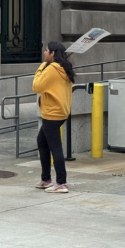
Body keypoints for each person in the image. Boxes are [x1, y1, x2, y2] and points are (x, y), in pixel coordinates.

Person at [32, 42, 74, 194]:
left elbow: (36, 87)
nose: (44, 52)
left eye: (47, 50)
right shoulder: (65, 68)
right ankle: (46, 179)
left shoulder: (52, 69)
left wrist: (41, 67)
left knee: (55, 147)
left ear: (53, 53)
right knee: (42, 142)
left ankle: (61, 183)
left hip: (52, 113)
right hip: (60, 112)